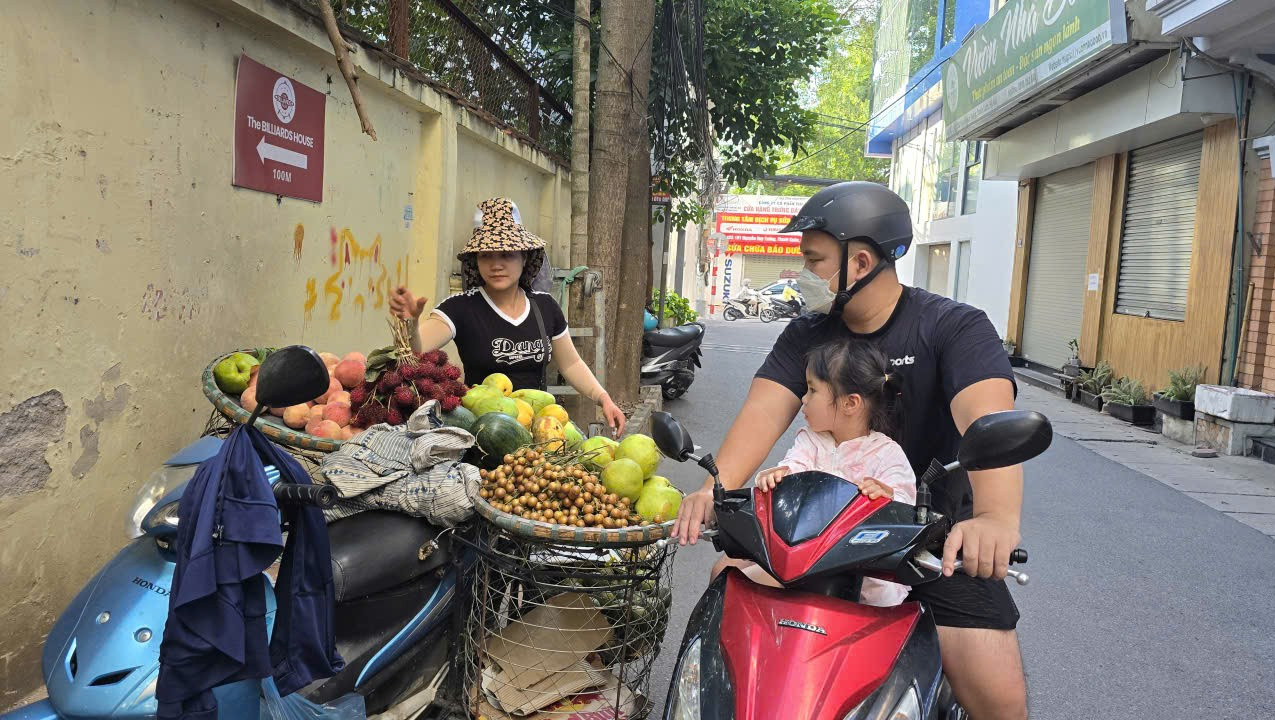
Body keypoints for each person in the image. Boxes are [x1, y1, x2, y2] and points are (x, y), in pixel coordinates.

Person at [671, 182, 1028, 719]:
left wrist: (996, 518)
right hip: (813, 537)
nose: (805, 274)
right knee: (728, 581)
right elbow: (764, 412)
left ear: (859, 261)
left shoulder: (953, 327)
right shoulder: (807, 334)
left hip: (932, 542)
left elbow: (988, 418)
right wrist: (708, 489)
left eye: (814, 260)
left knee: (1000, 703)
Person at [389, 197, 627, 436]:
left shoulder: (545, 307)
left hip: (540, 432)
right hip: (483, 436)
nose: (496, 265)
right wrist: (411, 323)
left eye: (507, 254)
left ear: (525, 258)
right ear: (476, 261)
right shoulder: (461, 308)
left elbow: (571, 364)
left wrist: (603, 398)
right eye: (486, 255)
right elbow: (416, 351)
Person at [714, 337, 915, 608]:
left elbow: (906, 507)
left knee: (742, 588)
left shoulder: (887, 454)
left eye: (812, 390)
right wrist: (780, 477)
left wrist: (888, 497)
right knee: (724, 573)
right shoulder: (811, 440)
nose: (803, 399)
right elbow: (795, 467)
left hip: (864, 578)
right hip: (801, 558)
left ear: (850, 403)